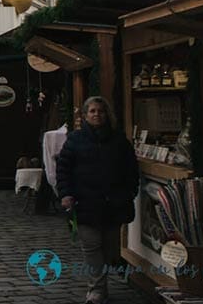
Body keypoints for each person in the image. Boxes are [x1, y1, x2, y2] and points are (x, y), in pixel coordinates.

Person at [56, 96, 139, 304]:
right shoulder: (75, 140)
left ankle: (102, 283)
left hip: (113, 203)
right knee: (92, 247)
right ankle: (97, 290)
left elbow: (131, 170)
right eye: (92, 111)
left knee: (110, 249)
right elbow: (63, 169)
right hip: (85, 202)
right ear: (85, 116)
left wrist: (130, 192)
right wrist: (66, 194)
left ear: (106, 114)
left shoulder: (119, 140)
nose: (96, 115)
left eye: (100, 111)